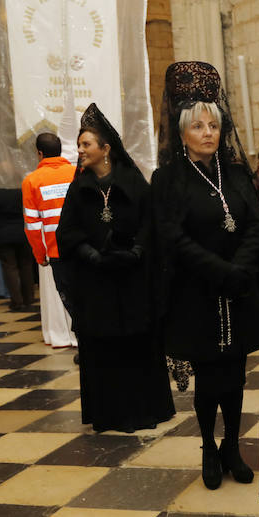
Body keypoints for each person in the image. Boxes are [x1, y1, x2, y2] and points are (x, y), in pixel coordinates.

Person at [153, 61, 259, 489]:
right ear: (182, 131)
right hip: (196, 295)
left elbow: (257, 225)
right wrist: (221, 271)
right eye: (198, 125)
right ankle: (207, 445)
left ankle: (232, 447)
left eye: (213, 124)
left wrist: (241, 270)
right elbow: (172, 238)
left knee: (235, 376)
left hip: (237, 292)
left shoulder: (236, 174)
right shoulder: (168, 179)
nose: (207, 132)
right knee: (208, 380)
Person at [57, 103, 175, 433]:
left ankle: (142, 409)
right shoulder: (77, 188)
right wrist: (90, 254)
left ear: (105, 149)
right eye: (79, 145)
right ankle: (109, 413)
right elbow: (65, 232)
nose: (80, 150)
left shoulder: (134, 182)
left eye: (86, 144)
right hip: (96, 284)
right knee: (104, 347)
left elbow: (151, 223)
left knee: (135, 345)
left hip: (132, 280)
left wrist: (138, 249)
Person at [22, 133, 78, 348]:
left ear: (39, 153)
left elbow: (33, 225)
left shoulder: (31, 181)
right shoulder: (76, 173)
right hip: (82, 247)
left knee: (66, 296)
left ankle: (70, 335)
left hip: (55, 250)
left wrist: (39, 255)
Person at [0, 185, 35, 310]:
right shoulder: (22, 187)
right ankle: (28, 298)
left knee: (9, 268)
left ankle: (16, 300)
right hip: (24, 231)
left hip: (3, 233)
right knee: (26, 266)